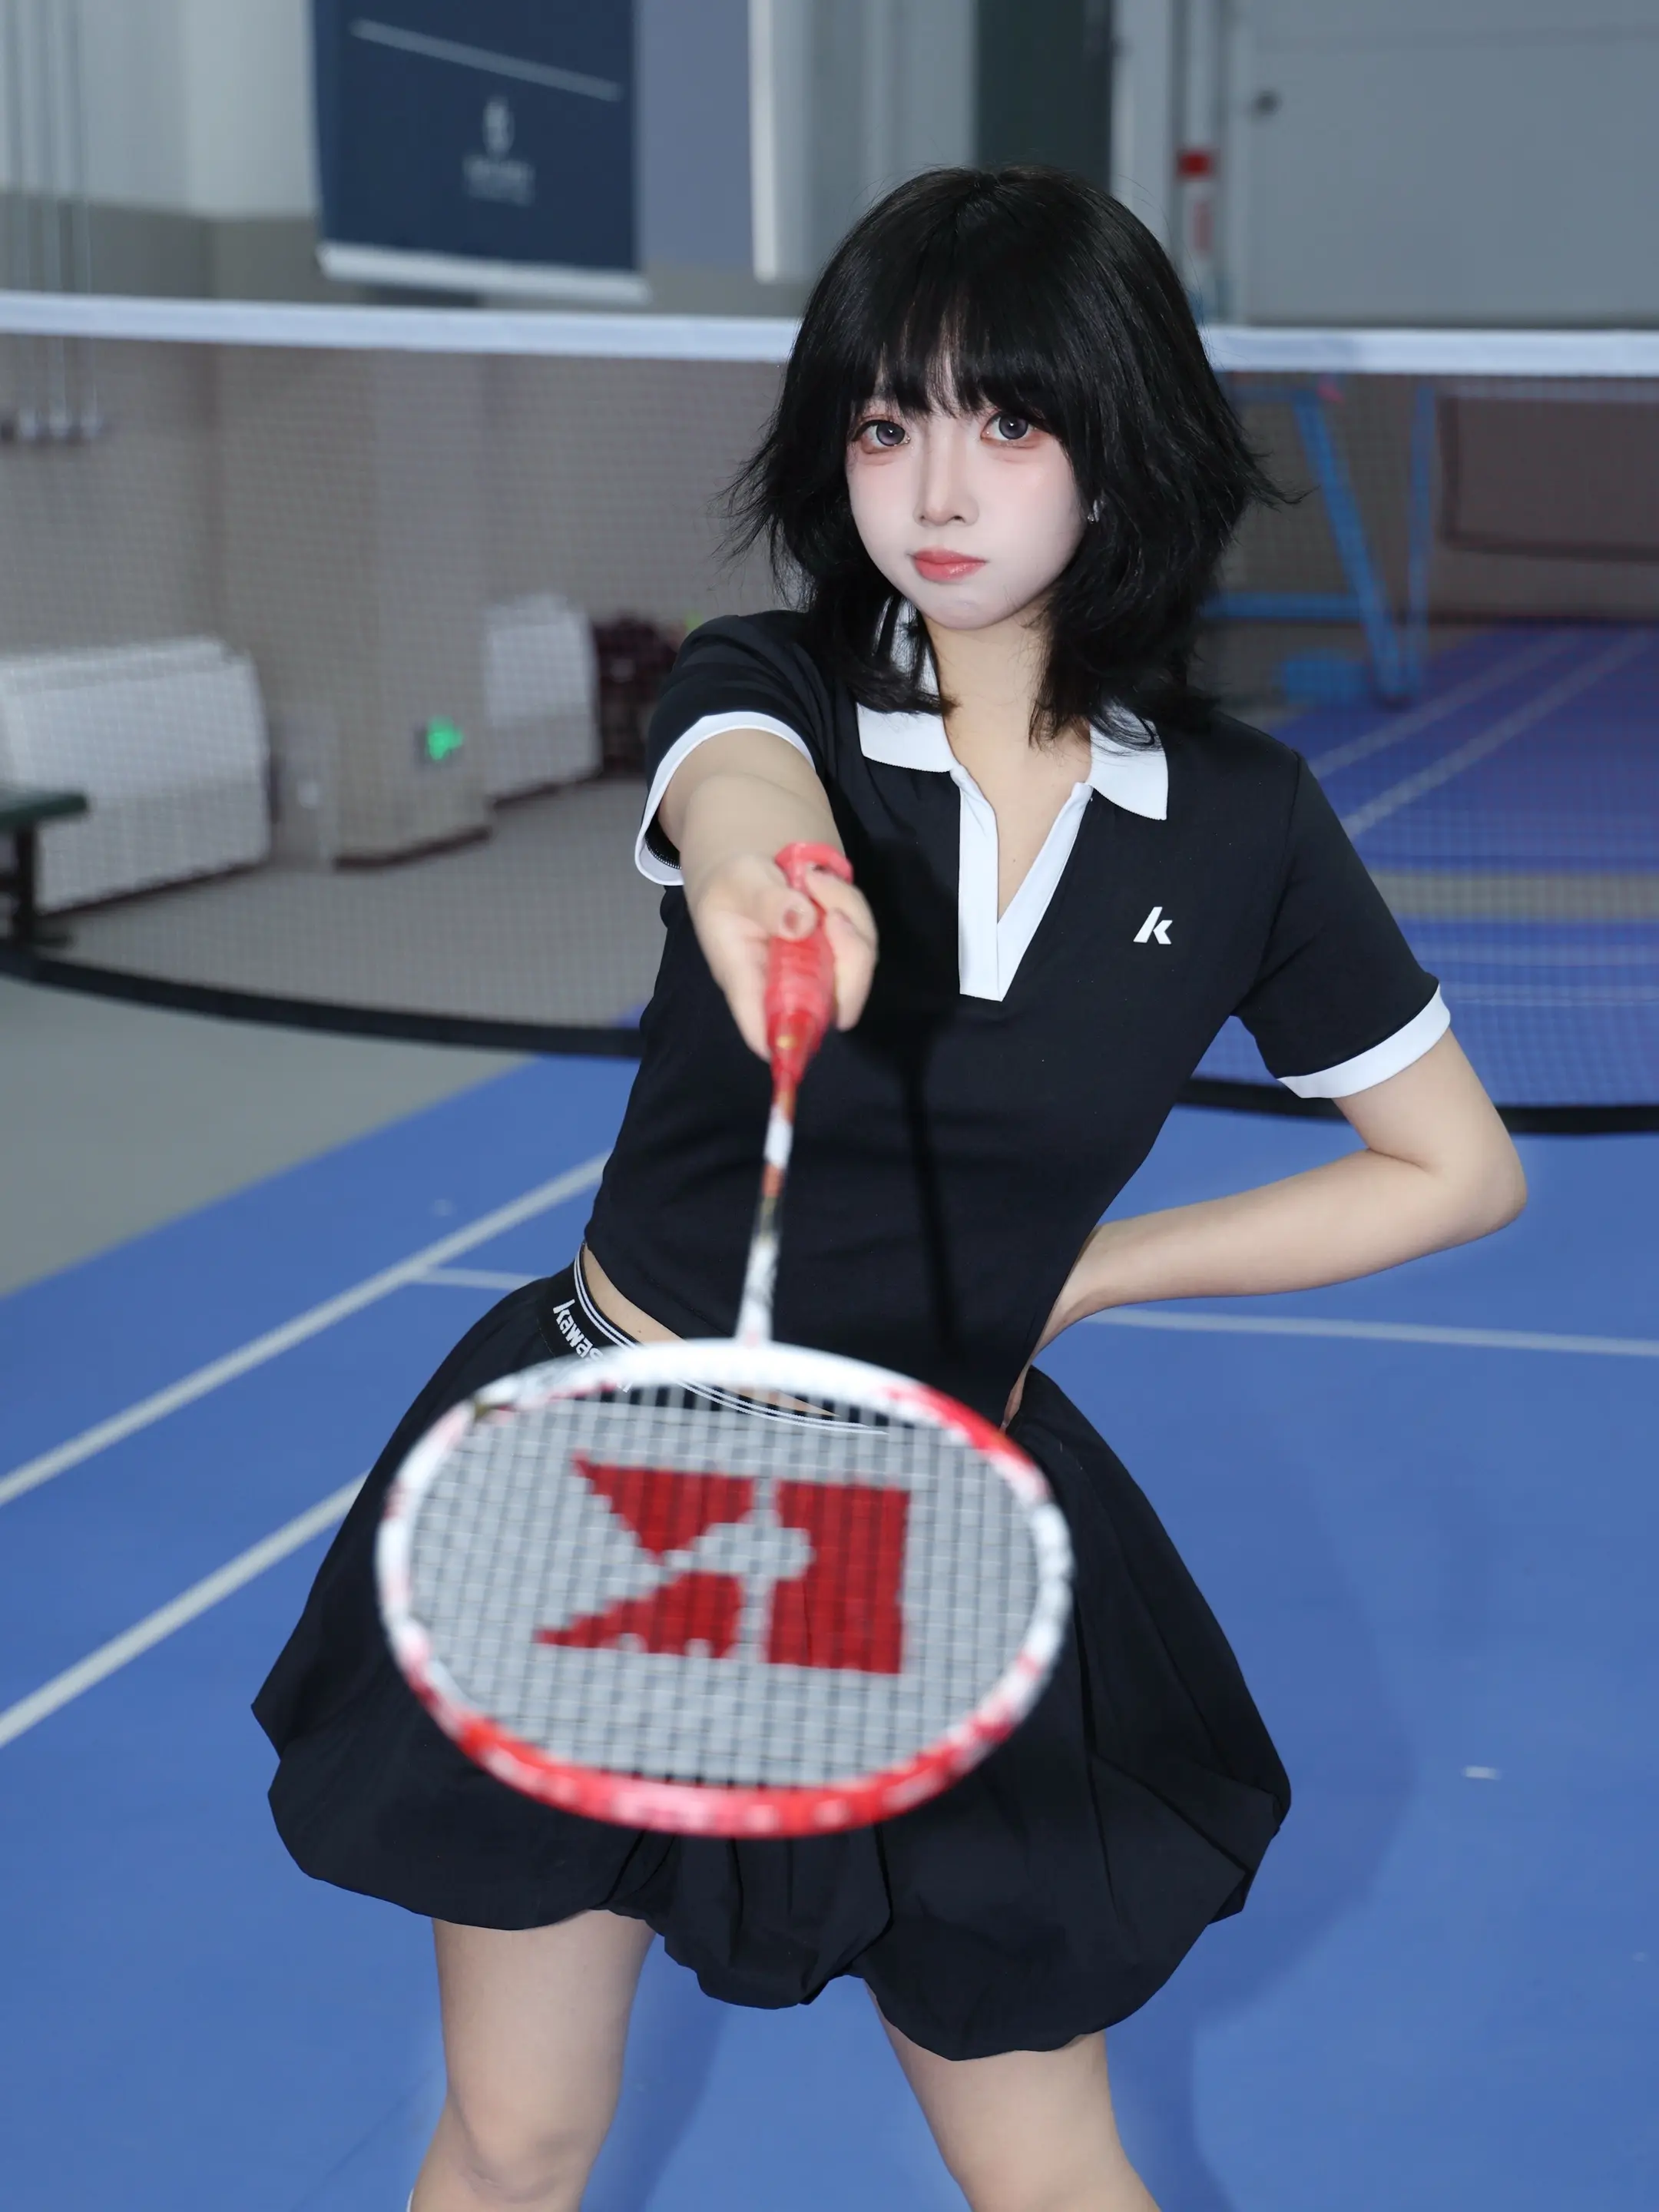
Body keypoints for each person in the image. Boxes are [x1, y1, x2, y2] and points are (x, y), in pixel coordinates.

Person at [255, 168, 1525, 2212]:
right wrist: (774, 876)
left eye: (1005, 422)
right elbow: (736, 792)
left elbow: (1452, 1168)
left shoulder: (1242, 825)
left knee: (1051, 2163)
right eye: (882, 422)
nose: (934, 487)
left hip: (935, 1518)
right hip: (609, 1473)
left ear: (1118, 447)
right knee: (521, 2134)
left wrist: (1088, 1276)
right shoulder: (766, 686)